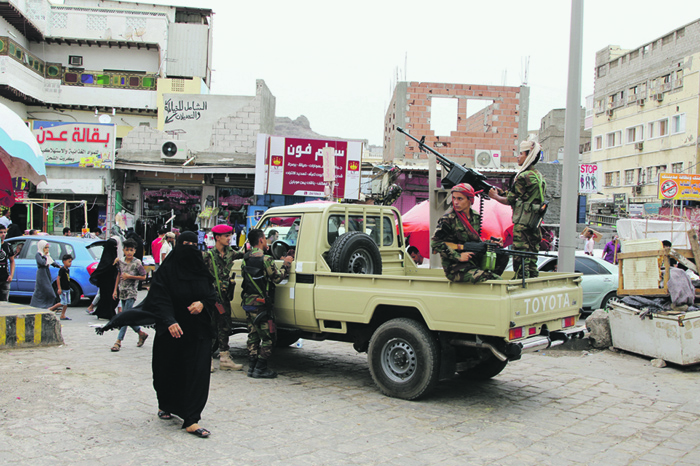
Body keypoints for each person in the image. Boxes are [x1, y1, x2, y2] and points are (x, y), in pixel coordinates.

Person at [97, 231, 218, 438]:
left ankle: (191, 418)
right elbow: (159, 297)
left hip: (198, 329)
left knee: (197, 372)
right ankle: (166, 404)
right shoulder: (167, 271)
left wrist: (203, 303)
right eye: (184, 243)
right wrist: (169, 320)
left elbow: (211, 293)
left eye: (192, 243)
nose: (188, 247)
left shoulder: (201, 270)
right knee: (167, 370)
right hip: (172, 331)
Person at [239, 228, 293, 378]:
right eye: (265, 238)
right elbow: (277, 278)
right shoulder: (266, 259)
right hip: (262, 304)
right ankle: (261, 368)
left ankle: (251, 366)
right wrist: (286, 263)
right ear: (261, 240)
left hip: (249, 302)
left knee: (253, 335)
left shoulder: (246, 258)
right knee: (269, 337)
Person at [490, 139, 547, 279]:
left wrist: (495, 197)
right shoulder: (538, 176)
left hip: (522, 224)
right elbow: (523, 198)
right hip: (534, 224)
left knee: (520, 256)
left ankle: (520, 281)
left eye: (521, 153)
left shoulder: (523, 176)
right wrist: (502, 193)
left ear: (529, 156)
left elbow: (510, 200)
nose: (518, 156)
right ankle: (532, 280)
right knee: (532, 257)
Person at [431, 183, 506, 283]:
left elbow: (474, 241)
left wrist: (490, 243)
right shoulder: (448, 219)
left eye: (460, 199)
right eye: (454, 198)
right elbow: (435, 243)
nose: (456, 202)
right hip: (456, 267)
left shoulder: (475, 216)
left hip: (472, 261)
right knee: (495, 280)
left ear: (470, 200)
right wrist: (458, 256)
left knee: (502, 254)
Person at [203, 224, 244, 372]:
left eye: (230, 235)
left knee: (225, 326)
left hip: (224, 297)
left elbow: (246, 254)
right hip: (211, 298)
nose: (229, 238)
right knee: (209, 328)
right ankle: (206, 359)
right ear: (217, 238)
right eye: (226, 236)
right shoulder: (208, 256)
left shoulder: (231, 254)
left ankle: (225, 358)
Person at [110, 238, 149, 352]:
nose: (129, 252)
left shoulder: (137, 263)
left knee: (125, 316)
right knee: (127, 317)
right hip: (122, 291)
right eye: (127, 250)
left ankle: (118, 341)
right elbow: (119, 275)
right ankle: (141, 333)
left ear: (135, 251)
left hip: (131, 292)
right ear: (123, 250)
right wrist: (115, 290)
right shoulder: (120, 261)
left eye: (131, 250)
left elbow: (143, 277)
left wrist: (130, 277)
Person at [89, 238, 120, 320]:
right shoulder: (107, 258)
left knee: (111, 298)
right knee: (107, 298)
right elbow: (106, 267)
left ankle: (105, 312)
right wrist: (113, 264)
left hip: (111, 282)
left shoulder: (110, 255)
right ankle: (106, 313)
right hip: (106, 282)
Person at [30, 240, 61, 311]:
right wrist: (45, 256)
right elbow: (42, 263)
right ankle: (51, 305)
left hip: (46, 272)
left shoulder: (47, 255)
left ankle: (48, 305)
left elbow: (52, 261)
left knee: (43, 290)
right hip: (41, 273)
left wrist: (59, 266)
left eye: (48, 247)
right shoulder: (38, 254)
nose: (47, 249)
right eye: (45, 247)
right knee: (47, 289)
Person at [0, 225, 15, 301]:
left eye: (4, 232)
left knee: (4, 301)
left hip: (5, 277)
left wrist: (11, 275)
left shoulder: (8, 246)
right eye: (1, 232)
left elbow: (12, 261)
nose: (3, 234)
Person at [56, 254, 72, 320]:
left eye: (71, 261)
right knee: (63, 302)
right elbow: (58, 278)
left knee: (66, 303)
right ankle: (50, 309)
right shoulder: (62, 270)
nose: (70, 263)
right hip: (63, 289)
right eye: (69, 261)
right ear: (64, 262)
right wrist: (59, 288)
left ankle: (63, 315)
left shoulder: (67, 270)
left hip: (67, 288)